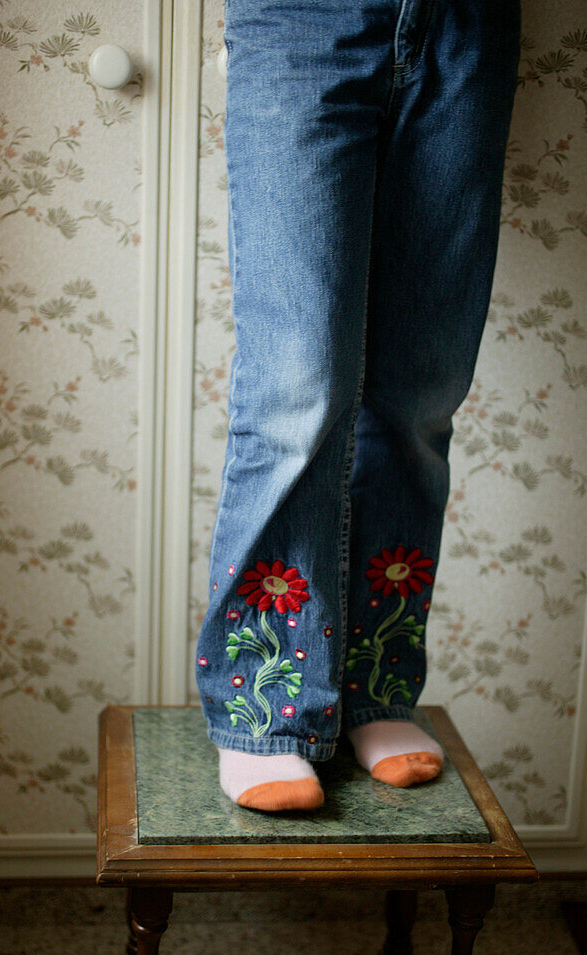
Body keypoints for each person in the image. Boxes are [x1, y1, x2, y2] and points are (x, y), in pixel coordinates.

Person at [196, 0, 521, 811]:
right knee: (297, 389)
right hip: (304, 18)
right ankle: (264, 713)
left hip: (467, 24)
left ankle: (375, 693)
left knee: (421, 388)